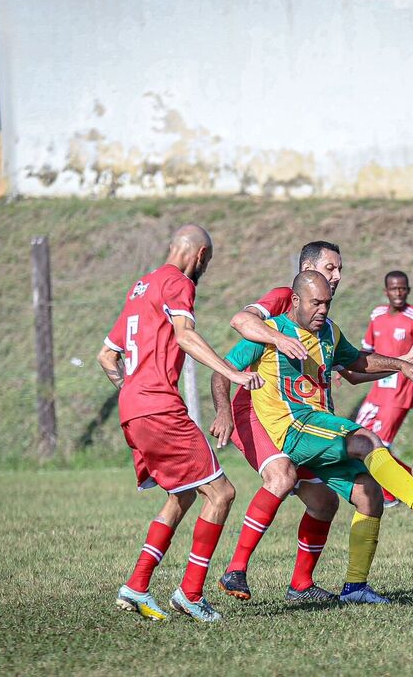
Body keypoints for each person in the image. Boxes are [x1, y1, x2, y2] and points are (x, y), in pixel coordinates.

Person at [214, 271, 413, 604]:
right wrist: (223, 412)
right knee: (367, 441)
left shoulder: (329, 332)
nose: (322, 309)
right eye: (316, 303)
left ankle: (355, 588)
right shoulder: (270, 333)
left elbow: (358, 361)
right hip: (294, 428)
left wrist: (401, 364)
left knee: (368, 493)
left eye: (327, 303)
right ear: (295, 300)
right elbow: (223, 369)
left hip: (320, 426)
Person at [96, 224, 264, 623]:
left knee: (184, 494)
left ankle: (136, 586)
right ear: (200, 256)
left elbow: (106, 355)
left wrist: (131, 388)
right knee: (221, 493)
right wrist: (233, 372)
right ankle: (190, 594)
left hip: (132, 408)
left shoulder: (141, 287)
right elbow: (185, 335)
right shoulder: (178, 283)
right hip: (158, 407)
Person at [356, 270, 413, 507]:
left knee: (380, 443)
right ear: (386, 291)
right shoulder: (377, 314)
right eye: (394, 288)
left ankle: (391, 495)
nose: (398, 293)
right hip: (376, 391)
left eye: (403, 288)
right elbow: (366, 349)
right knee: (359, 439)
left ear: (408, 290)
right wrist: (346, 372)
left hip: (400, 393)